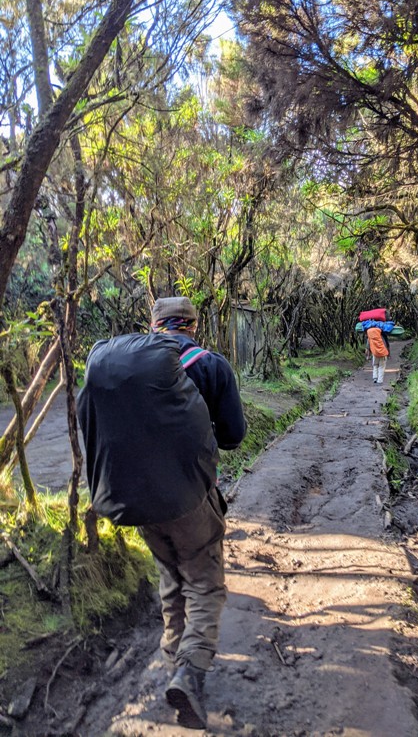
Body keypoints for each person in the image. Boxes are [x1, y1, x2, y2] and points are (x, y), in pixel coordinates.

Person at [77, 296, 246, 730]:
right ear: (193, 326)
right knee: (205, 582)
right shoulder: (209, 365)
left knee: (172, 575)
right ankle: (189, 672)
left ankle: (172, 658)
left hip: (137, 498)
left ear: (152, 326)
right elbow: (233, 437)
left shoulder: (127, 369)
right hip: (191, 496)